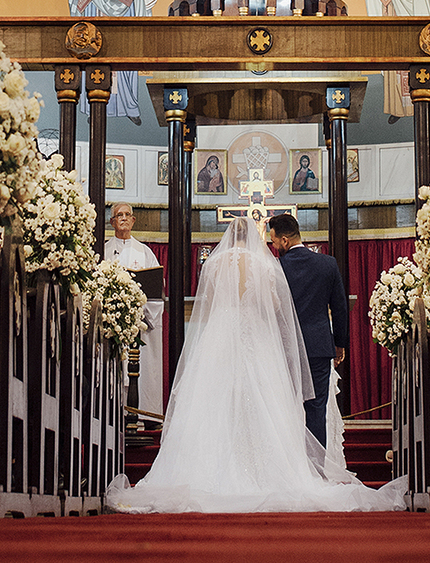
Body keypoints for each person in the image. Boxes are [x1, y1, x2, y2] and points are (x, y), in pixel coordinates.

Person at [106, 216, 402, 511]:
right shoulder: (265, 265)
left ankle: (204, 469)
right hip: (258, 338)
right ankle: (292, 470)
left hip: (219, 337)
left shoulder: (213, 264)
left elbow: (206, 307)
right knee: (270, 402)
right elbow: (274, 306)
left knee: (214, 402)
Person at [268, 213, 347, 449]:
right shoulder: (328, 264)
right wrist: (339, 344)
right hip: (318, 347)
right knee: (316, 409)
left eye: (273, 241)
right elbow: (340, 308)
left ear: (284, 240)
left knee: (285, 408)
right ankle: (316, 470)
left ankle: (292, 469)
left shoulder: (276, 268)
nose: (273, 247)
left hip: (284, 348)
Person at [103, 204, 164, 423]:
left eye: (128, 215)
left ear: (134, 220)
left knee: (141, 370)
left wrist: (144, 315)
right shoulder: (104, 250)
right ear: (112, 222)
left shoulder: (144, 252)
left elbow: (156, 288)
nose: (124, 219)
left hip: (139, 324)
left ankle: (141, 417)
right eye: (119, 215)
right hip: (112, 324)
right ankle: (111, 418)